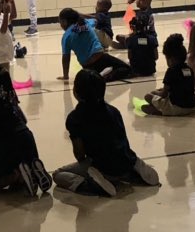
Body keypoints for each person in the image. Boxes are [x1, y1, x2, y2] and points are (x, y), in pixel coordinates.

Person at [52, 69, 159, 197]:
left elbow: (80, 155)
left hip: (102, 166)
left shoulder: (75, 118)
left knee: (58, 175)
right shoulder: (114, 111)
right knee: (119, 158)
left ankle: (93, 183)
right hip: (125, 160)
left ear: (76, 92)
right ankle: (132, 170)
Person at [0, 60, 52, 197]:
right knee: (17, 169)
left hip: (7, 143)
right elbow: (23, 119)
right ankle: (32, 170)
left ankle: (19, 175)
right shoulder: (7, 94)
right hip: (27, 138)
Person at [58, 9, 131, 83]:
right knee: (126, 68)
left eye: (60, 22)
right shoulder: (86, 23)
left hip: (87, 66)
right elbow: (95, 20)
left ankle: (98, 76)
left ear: (64, 21)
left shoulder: (66, 37)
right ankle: (104, 77)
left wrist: (65, 75)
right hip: (101, 58)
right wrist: (82, 15)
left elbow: (66, 58)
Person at [142, 33, 195, 116]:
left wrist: (156, 93)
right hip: (190, 107)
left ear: (171, 59)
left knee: (148, 96)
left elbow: (164, 94)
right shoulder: (189, 69)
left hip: (175, 107)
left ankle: (161, 112)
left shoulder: (171, 71)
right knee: (157, 93)